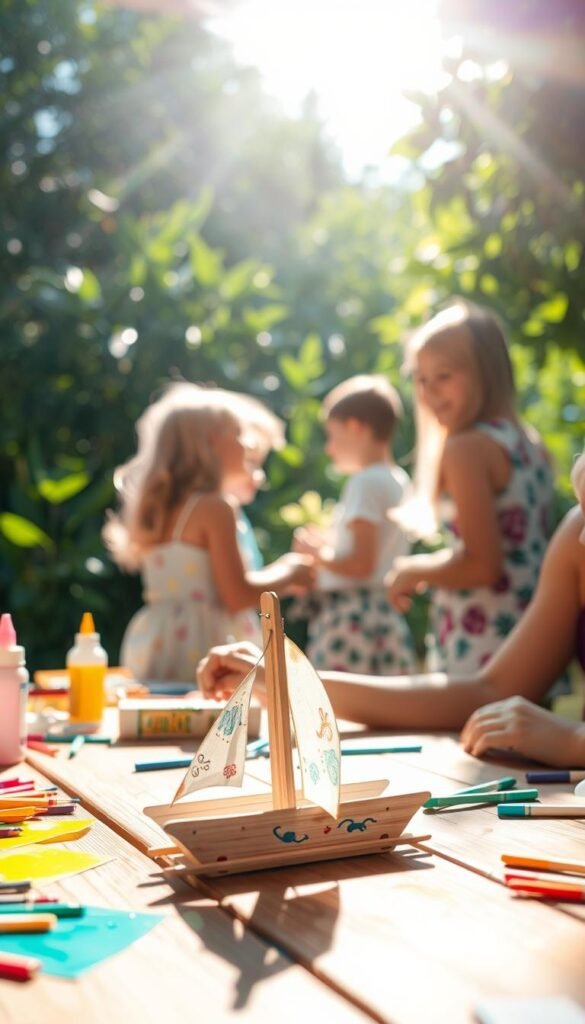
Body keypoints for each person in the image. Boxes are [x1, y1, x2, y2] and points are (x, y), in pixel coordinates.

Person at [197, 450, 585, 767]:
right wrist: (284, 678)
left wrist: (573, 741)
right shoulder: (575, 537)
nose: (583, 535)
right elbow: (486, 691)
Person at [385, 299, 554, 674]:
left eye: (444, 376)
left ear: (486, 372)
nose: (429, 392)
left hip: (485, 652)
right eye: (421, 379)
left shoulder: (466, 449)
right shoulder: (529, 442)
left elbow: (482, 565)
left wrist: (414, 570)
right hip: (537, 647)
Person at [103, 383, 314, 683]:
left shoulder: (161, 510)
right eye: (240, 435)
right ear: (212, 443)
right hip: (206, 642)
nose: (247, 445)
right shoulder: (216, 509)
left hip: (159, 641)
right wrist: (289, 570)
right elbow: (237, 595)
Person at [291, 374, 416, 675]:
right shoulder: (398, 480)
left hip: (350, 621)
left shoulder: (365, 481)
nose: (329, 449)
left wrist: (318, 552)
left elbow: (361, 564)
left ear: (355, 427)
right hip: (381, 615)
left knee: (336, 714)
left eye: (332, 436)